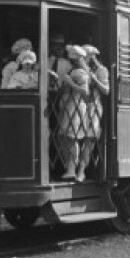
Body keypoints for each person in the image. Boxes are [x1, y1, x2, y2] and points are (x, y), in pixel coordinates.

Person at [55, 45, 90, 179]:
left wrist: (71, 83)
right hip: (68, 106)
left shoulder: (80, 72)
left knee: (71, 136)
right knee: (64, 136)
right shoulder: (73, 70)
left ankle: (72, 169)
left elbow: (85, 92)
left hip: (75, 107)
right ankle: (69, 166)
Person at [77, 45, 109, 182]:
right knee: (72, 136)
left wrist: (94, 79)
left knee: (89, 139)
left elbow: (106, 91)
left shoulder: (101, 70)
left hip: (93, 107)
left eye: (87, 56)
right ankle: (72, 167)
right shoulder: (81, 67)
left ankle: (81, 170)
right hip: (79, 105)